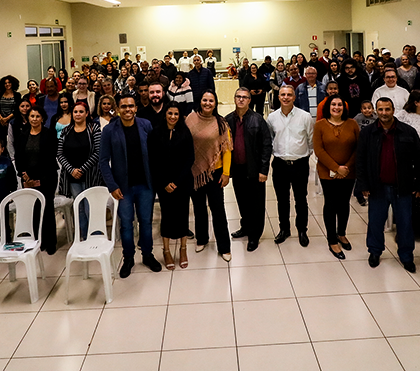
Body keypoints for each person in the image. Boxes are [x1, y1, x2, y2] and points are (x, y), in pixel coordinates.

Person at [100, 94, 162, 277]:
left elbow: (155, 153)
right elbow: (103, 161)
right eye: (123, 106)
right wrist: (112, 186)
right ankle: (128, 258)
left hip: (145, 185)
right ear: (118, 109)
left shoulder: (145, 125)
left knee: (146, 222)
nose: (128, 109)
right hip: (123, 188)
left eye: (131, 106)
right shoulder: (110, 130)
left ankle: (148, 255)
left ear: (136, 108)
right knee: (126, 225)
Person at [357, 97, 420, 273]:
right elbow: (360, 160)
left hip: (403, 187)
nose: (384, 113)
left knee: (405, 223)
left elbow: (418, 159)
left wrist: (418, 184)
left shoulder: (408, 132)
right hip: (377, 186)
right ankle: (375, 251)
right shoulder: (367, 133)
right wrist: (363, 184)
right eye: (381, 110)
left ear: (393, 110)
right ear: (376, 111)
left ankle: (407, 256)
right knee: (376, 222)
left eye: (387, 109)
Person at [186, 90, 233, 262]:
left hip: (215, 172)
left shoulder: (221, 123)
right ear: (200, 101)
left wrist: (226, 173)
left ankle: (224, 246)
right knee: (198, 208)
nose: (207, 103)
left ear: (215, 103)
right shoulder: (190, 119)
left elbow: (227, 150)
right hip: (194, 172)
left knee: (218, 209)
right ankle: (202, 238)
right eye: (205, 100)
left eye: (211, 100)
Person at [148, 101, 195, 269]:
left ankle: (183, 249)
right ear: (165, 114)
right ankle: (166, 250)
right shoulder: (155, 133)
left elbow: (190, 158)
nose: (173, 117)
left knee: (182, 214)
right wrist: (164, 182)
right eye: (170, 113)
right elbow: (153, 160)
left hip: (182, 182)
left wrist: (176, 181)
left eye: (176, 114)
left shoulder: (185, 132)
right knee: (167, 216)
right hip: (163, 183)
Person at [225, 87, 272, 251]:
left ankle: (254, 235)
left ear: (249, 100)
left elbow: (267, 145)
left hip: (254, 168)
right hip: (237, 169)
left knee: (256, 204)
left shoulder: (258, 119)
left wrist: (263, 170)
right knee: (242, 200)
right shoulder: (228, 120)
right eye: (238, 96)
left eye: (244, 97)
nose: (241, 99)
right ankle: (245, 227)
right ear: (234, 98)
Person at [313, 95, 359, 259]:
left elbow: (358, 148)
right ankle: (332, 239)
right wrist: (336, 168)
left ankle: (342, 233)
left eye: (340, 104)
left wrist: (345, 168)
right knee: (331, 204)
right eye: (333, 104)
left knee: (344, 204)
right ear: (328, 107)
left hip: (348, 171)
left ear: (344, 107)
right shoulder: (320, 125)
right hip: (328, 173)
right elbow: (318, 150)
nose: (337, 107)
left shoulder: (352, 123)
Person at [267, 85, 313, 247]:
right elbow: (270, 139)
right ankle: (284, 229)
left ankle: (302, 230)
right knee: (282, 200)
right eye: (282, 95)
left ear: (294, 97)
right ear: (278, 97)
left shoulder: (305, 117)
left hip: (300, 164)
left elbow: (311, 140)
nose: (285, 97)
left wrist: (302, 154)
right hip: (279, 164)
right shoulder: (272, 118)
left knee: (301, 199)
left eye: (289, 95)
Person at [15, 105, 58, 255]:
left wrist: (38, 178)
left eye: (37, 116)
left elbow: (51, 157)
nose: (34, 119)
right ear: (28, 118)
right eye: (32, 116)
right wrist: (23, 174)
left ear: (43, 119)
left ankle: (50, 242)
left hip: (46, 177)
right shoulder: (22, 136)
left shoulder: (49, 134)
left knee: (47, 210)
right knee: (33, 209)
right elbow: (18, 157)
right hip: (27, 179)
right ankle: (39, 240)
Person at [57, 102, 102, 240]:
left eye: (81, 112)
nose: (78, 114)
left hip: (90, 175)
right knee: (79, 207)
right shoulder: (65, 131)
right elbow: (59, 153)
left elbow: (98, 152)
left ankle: (96, 235)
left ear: (87, 113)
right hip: (72, 177)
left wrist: (82, 169)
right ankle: (83, 235)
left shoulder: (94, 129)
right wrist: (71, 170)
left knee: (91, 206)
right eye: (75, 112)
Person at [0, 138, 17, 242]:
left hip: (4, 196)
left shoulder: (7, 162)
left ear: (2, 149)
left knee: (4, 219)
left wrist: (12, 194)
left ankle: (7, 239)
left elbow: (12, 180)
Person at [0, 75, 21, 147]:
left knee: (12, 140)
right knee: (2, 140)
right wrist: (1, 118)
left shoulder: (17, 95)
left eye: (9, 82)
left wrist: (7, 119)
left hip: (12, 120)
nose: (7, 84)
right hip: (1, 121)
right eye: (5, 83)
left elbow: (17, 109)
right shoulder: (0, 94)